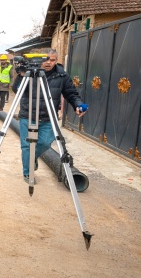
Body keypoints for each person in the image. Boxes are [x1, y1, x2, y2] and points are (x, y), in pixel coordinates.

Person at [12, 50, 86, 183]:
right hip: (27, 115)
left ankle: (32, 158)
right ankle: (28, 173)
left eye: (52, 60)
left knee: (46, 142)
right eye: (46, 60)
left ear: (56, 60)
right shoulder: (30, 72)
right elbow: (16, 89)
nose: (48, 63)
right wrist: (22, 75)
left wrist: (78, 105)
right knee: (27, 146)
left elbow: (71, 93)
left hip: (48, 117)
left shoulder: (61, 75)